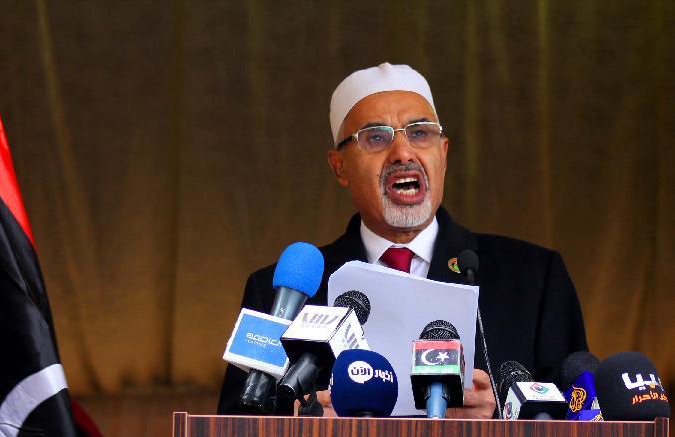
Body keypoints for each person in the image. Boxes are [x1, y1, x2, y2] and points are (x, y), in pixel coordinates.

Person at [218, 63, 588, 418]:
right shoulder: (282, 293)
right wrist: (302, 421)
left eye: (420, 132)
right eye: (376, 137)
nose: (403, 153)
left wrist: (498, 418)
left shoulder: (534, 279)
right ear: (339, 167)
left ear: (442, 153)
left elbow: (581, 432)